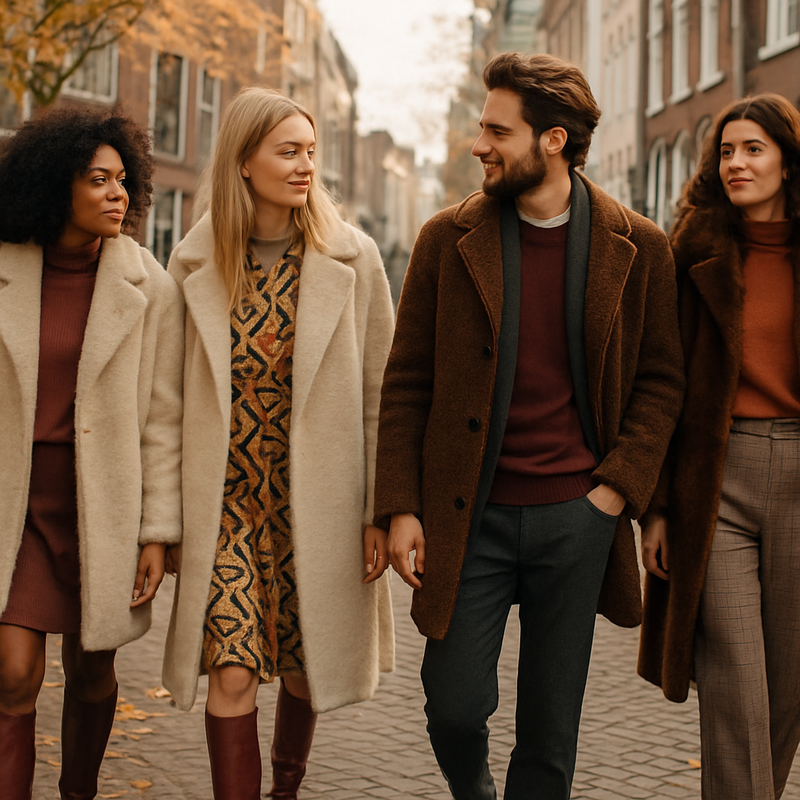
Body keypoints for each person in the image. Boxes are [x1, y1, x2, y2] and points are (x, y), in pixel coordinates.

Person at [373, 51, 685, 800]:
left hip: (575, 519)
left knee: (550, 733)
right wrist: (401, 505)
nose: (479, 145)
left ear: (552, 139)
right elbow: (407, 381)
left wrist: (614, 493)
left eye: (496, 131)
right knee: (452, 709)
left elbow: (661, 381)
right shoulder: (445, 241)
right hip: (466, 519)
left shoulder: (640, 246)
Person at [162, 86, 395, 800]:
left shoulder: (353, 261)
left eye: (310, 153)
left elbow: (381, 399)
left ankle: (284, 790)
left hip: (316, 507)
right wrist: (161, 523)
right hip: (225, 509)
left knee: (303, 666)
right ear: (243, 162)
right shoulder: (192, 265)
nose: (304, 168)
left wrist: (379, 512)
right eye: (287, 152)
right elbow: (166, 406)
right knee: (231, 671)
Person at [0, 107, 183, 800]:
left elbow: (165, 421)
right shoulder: (6, 269)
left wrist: (158, 533)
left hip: (101, 505)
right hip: (12, 502)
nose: (118, 193)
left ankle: (80, 790)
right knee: (13, 672)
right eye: (97, 179)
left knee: (92, 671)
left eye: (122, 179)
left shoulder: (150, 286)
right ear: (55, 187)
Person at [638, 93, 800, 799]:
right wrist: (659, 508)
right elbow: (662, 387)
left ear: (788, 162)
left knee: (789, 684)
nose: (736, 163)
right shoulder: (691, 254)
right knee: (734, 676)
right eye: (727, 151)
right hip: (716, 483)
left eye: (753, 149)